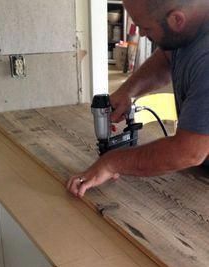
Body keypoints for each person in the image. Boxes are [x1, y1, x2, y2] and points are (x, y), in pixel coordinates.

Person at [67, 0, 209, 197]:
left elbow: (189, 151)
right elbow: (167, 57)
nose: (141, 34)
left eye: (145, 27)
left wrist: (111, 163)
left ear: (177, 19)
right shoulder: (188, 28)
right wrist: (128, 91)